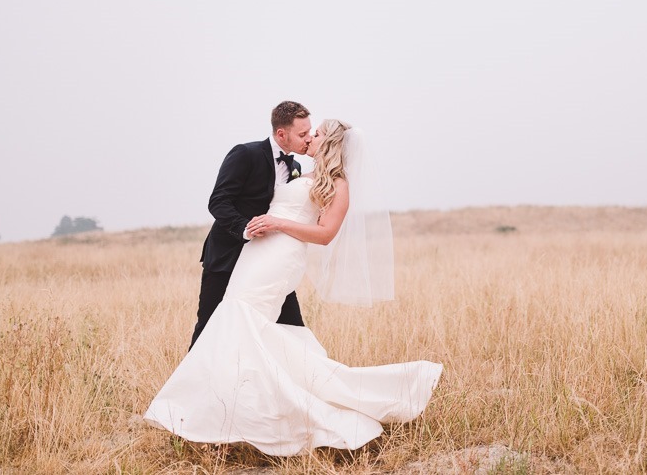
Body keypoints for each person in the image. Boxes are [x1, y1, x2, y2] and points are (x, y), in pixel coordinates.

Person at [145, 119, 442, 455]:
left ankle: (221, 420)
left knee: (240, 320)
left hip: (281, 254)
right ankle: (222, 417)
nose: (309, 138)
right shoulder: (303, 173)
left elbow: (325, 234)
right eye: (307, 133)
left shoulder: (339, 184)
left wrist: (278, 222)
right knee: (241, 326)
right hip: (257, 252)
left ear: (330, 144)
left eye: (315, 134)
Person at [190, 101, 312, 348]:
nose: (308, 139)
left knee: (292, 328)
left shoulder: (296, 167)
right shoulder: (245, 154)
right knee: (209, 328)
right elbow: (218, 201)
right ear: (281, 134)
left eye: (309, 132)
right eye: (302, 134)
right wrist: (245, 228)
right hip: (228, 256)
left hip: (270, 262)